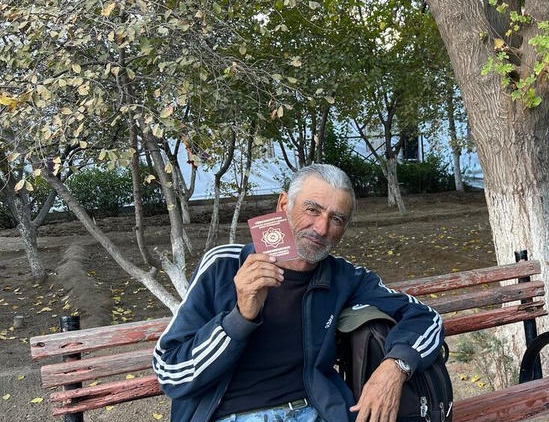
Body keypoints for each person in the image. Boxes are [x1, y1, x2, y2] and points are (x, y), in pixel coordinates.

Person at [152, 164, 444, 422]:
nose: (321, 228)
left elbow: (426, 317)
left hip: (312, 411)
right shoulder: (224, 266)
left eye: (337, 219)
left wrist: (395, 367)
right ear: (283, 205)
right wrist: (239, 318)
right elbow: (170, 371)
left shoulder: (343, 277)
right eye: (312, 209)